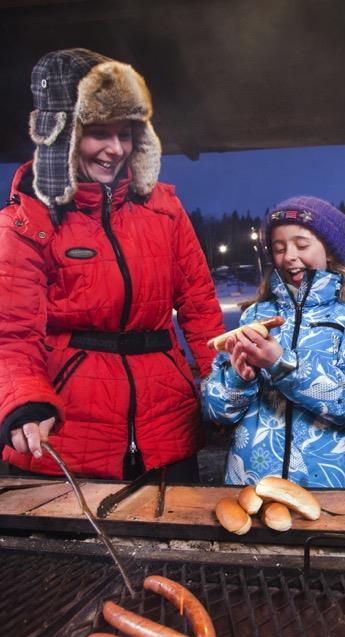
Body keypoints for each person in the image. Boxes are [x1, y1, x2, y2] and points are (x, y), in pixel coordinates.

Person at [0, 48, 224, 481]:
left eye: (126, 133)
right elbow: (11, 334)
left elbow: (200, 309)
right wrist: (25, 400)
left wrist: (226, 387)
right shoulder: (23, 223)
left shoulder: (165, 210)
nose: (115, 149)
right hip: (65, 437)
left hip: (168, 430)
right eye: (99, 133)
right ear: (62, 133)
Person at [203, 196, 345, 488]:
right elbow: (217, 412)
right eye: (279, 248)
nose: (289, 256)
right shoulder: (255, 315)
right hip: (251, 483)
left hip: (328, 488)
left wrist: (280, 364)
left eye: (302, 245)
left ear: (330, 251)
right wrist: (239, 379)